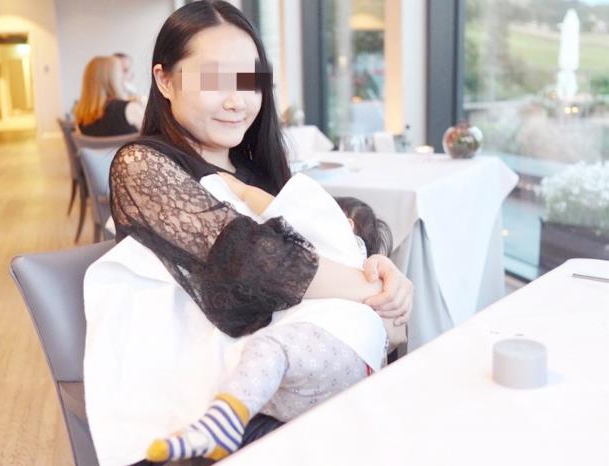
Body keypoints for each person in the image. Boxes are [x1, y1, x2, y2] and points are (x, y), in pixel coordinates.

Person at [108, 0, 413, 461]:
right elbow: (255, 262)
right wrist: (369, 290)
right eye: (214, 80)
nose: (237, 101)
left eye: (250, 81)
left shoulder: (258, 172)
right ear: (164, 80)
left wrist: (378, 271)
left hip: (304, 385)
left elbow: (317, 245)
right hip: (217, 407)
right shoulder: (143, 165)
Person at [73, 56, 144, 136]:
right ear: (114, 79)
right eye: (122, 72)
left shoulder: (80, 118)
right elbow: (153, 136)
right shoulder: (130, 109)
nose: (124, 76)